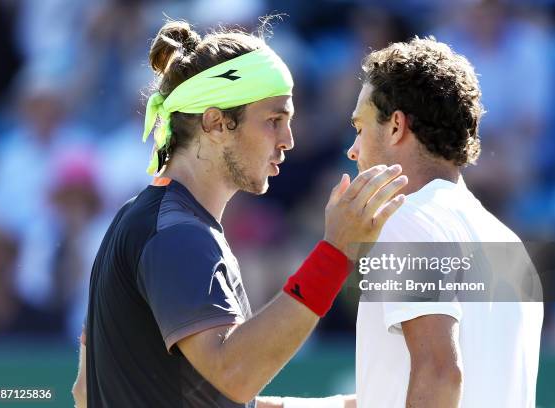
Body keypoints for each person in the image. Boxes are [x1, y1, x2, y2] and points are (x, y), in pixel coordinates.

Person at [71, 20, 408, 408]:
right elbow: (233, 375)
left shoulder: (146, 220)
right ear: (215, 123)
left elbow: (86, 391)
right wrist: (336, 251)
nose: (288, 141)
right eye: (274, 120)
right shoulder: (178, 234)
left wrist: (343, 405)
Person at [348, 37, 543, 408]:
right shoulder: (510, 245)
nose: (353, 150)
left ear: (395, 127)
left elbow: (441, 375)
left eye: (360, 128)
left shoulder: (404, 220)